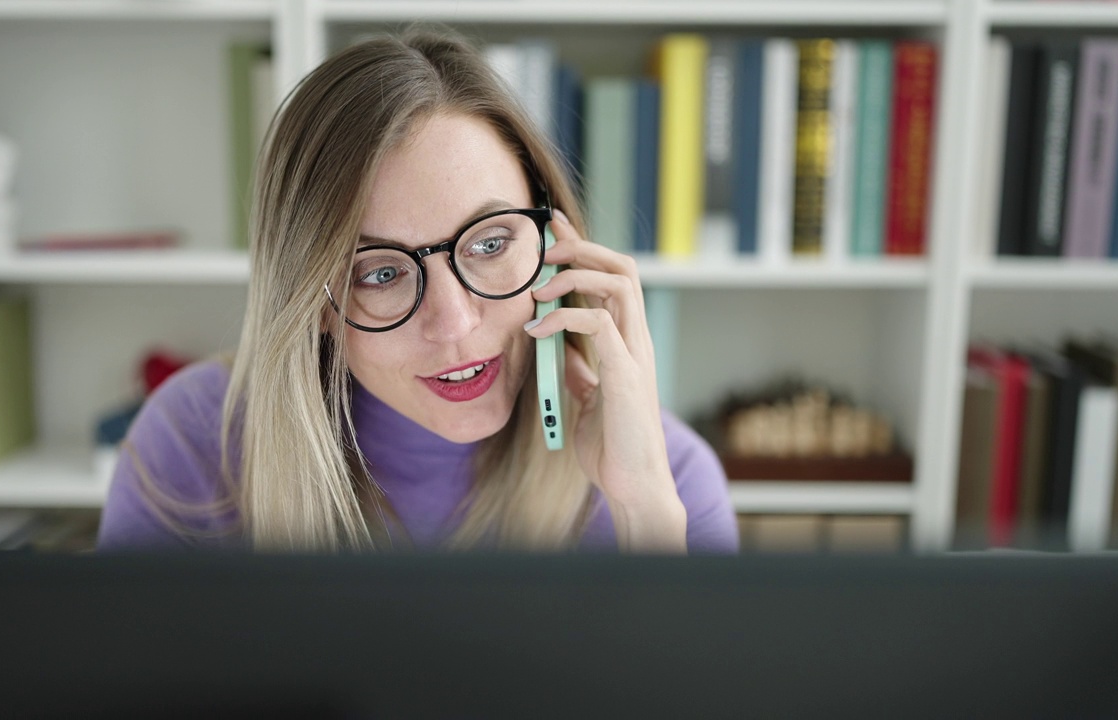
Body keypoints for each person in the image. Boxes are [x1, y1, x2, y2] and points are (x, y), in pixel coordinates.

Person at [97, 30, 738, 554]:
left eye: (490, 244)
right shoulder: (191, 443)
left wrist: (644, 513)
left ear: (554, 245)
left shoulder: (668, 477)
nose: (454, 322)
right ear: (313, 304)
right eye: (380, 273)